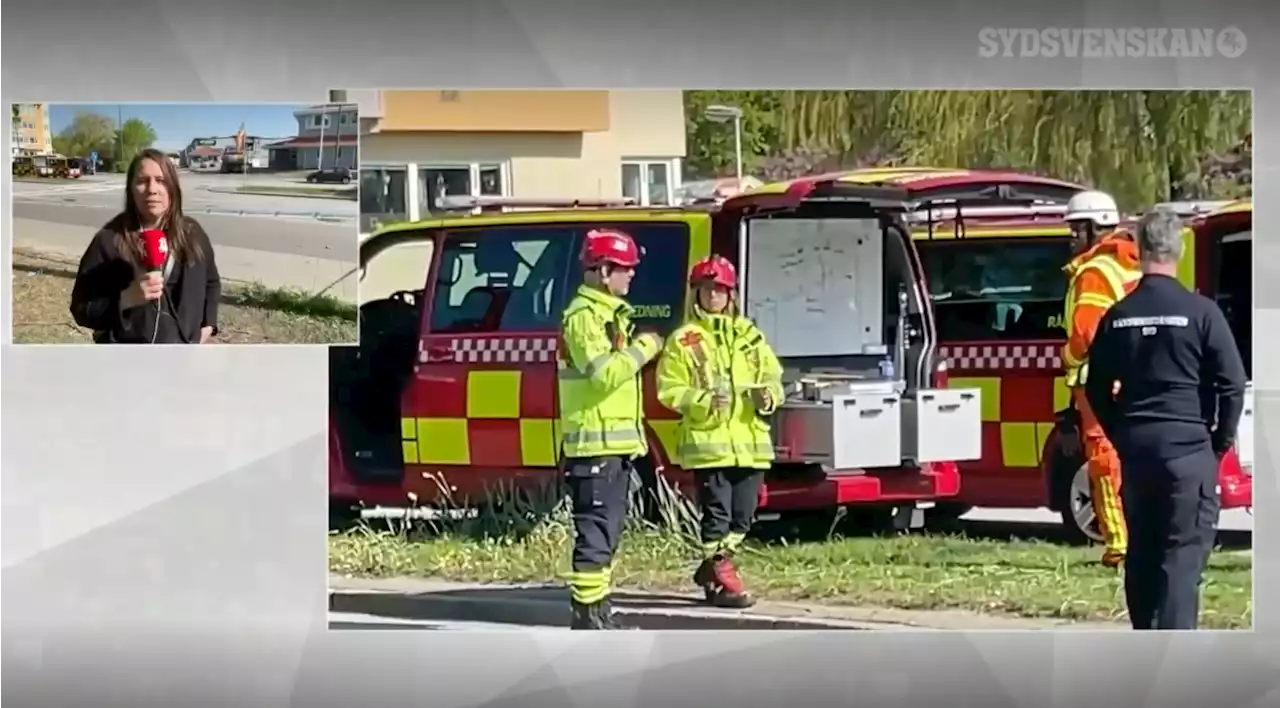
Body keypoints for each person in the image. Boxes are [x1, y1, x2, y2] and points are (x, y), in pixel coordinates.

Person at [1084, 208, 1246, 630]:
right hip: (1188, 453)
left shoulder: (1118, 315)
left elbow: (1095, 386)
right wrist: (1217, 445)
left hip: (1138, 454)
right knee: (1181, 558)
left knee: (1142, 553)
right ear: (1180, 249)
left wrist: (1122, 433)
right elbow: (1232, 383)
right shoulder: (1202, 313)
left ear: (1138, 251)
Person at [656, 255, 784, 608]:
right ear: (695, 293)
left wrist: (768, 397)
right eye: (707, 290)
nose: (714, 296)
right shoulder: (683, 340)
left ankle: (709, 570)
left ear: (732, 294)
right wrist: (701, 400)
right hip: (708, 444)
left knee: (743, 517)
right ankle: (724, 580)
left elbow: (774, 378)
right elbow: (668, 390)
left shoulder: (751, 336)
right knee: (717, 517)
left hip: (751, 444)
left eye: (721, 290)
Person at [557, 228, 664, 630]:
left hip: (613, 448)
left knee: (608, 532)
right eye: (626, 269)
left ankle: (598, 610)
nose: (632, 276)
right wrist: (645, 348)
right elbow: (603, 376)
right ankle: (586, 615)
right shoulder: (584, 319)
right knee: (596, 533)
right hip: (592, 449)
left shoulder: (609, 315)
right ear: (603, 271)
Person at [1060, 189, 1142, 567]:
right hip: (1135, 376)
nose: (1071, 238)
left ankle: (1118, 544)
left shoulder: (1094, 272)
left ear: (1095, 228)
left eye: (1076, 230)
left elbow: (1084, 333)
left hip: (1097, 382)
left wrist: (1069, 358)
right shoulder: (1131, 265)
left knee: (1103, 457)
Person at [70, 148, 221, 344]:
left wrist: (208, 326)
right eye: (142, 181)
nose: (152, 189)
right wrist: (125, 299)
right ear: (131, 190)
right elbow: (81, 309)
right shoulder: (108, 240)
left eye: (161, 180)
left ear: (172, 188)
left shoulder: (193, 233)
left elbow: (212, 282)